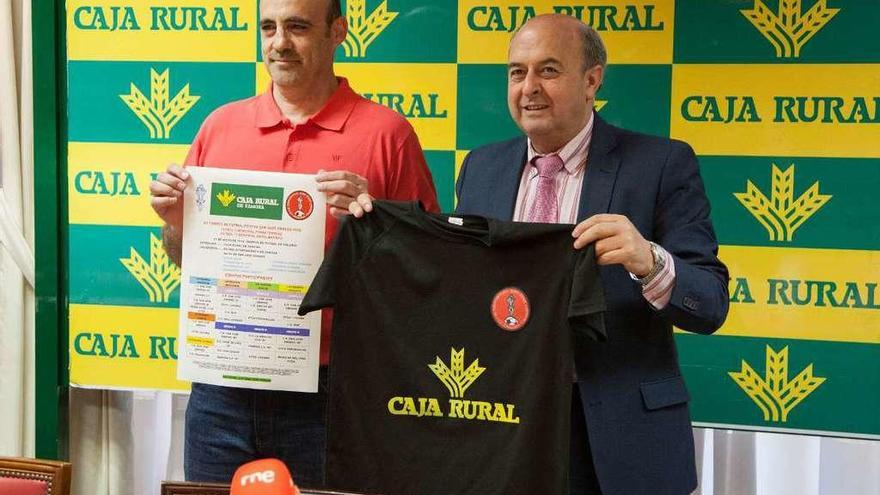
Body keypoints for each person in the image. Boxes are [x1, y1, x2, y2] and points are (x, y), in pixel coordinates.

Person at [354, 14, 729, 495]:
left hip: (620, 443)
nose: (529, 87)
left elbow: (711, 303)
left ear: (592, 80)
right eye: (517, 72)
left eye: (548, 70)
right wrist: (375, 223)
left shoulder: (661, 164)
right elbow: (456, 291)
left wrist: (650, 261)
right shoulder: (481, 168)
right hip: (503, 433)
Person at [148, 0, 438, 486]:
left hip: (332, 390)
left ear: (338, 32)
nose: (279, 42)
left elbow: (427, 270)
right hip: (222, 387)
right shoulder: (220, 126)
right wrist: (174, 223)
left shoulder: (387, 134)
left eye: (298, 27)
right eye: (269, 27)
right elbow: (182, 256)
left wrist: (377, 221)